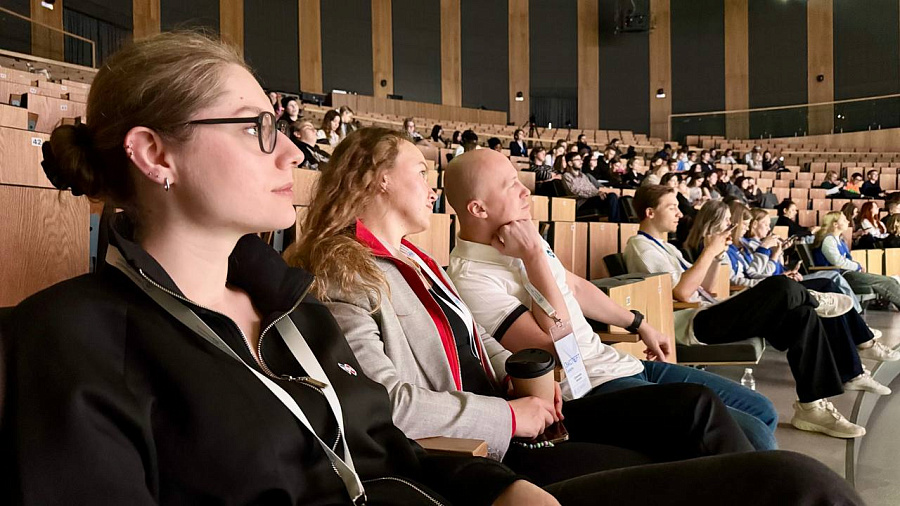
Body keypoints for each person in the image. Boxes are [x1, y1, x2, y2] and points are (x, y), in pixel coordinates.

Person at [3, 32, 559, 506]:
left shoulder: (290, 304)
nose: (292, 152)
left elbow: (382, 449)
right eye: (255, 127)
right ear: (155, 155)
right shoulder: (69, 340)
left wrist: (498, 488)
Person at [288, 127, 764, 486]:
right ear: (380, 180)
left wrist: (528, 379)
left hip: (520, 406)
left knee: (694, 408)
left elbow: (475, 340)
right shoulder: (344, 274)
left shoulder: (415, 258)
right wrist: (513, 416)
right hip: (476, 444)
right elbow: (385, 402)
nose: (432, 188)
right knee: (673, 442)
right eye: (421, 172)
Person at [440, 150, 783, 451]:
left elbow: (575, 287)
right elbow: (557, 347)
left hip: (617, 363)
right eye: (510, 185)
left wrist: (639, 324)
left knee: (762, 410)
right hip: (588, 390)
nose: (525, 190)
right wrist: (532, 259)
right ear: (478, 208)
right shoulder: (472, 278)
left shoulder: (523, 235)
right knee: (752, 435)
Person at [625, 185, 869, 439]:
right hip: (689, 325)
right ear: (650, 212)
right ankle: (814, 299)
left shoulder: (667, 247)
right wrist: (709, 251)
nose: (679, 213)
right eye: (672, 207)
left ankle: (812, 406)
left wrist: (716, 256)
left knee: (802, 316)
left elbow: (704, 287)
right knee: (781, 286)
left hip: (706, 311)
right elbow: (683, 294)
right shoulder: (641, 247)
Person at [813, 211, 900, 310]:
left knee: (891, 281)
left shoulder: (839, 240)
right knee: (888, 282)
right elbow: (838, 262)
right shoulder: (829, 240)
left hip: (846, 273)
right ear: (835, 224)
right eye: (844, 220)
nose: (847, 221)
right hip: (840, 275)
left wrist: (856, 266)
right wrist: (857, 266)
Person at [561, 152, 622, 222]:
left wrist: (600, 193)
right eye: (577, 160)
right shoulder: (567, 176)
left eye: (581, 159)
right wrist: (596, 193)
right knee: (611, 196)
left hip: (592, 199)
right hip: (582, 202)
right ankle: (614, 223)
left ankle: (623, 224)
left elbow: (592, 188)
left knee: (619, 198)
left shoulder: (583, 176)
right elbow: (575, 191)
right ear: (570, 163)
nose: (581, 162)